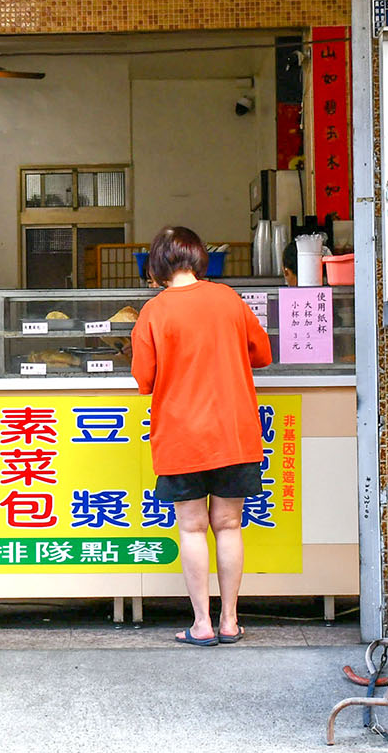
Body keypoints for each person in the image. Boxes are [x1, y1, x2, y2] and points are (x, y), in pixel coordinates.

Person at [130, 225, 274, 646]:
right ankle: (230, 621)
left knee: (192, 528)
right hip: (234, 431)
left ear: (156, 265)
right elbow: (262, 354)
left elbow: (144, 378)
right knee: (229, 525)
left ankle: (202, 625)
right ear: (199, 259)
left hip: (181, 435)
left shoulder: (154, 312)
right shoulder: (228, 298)